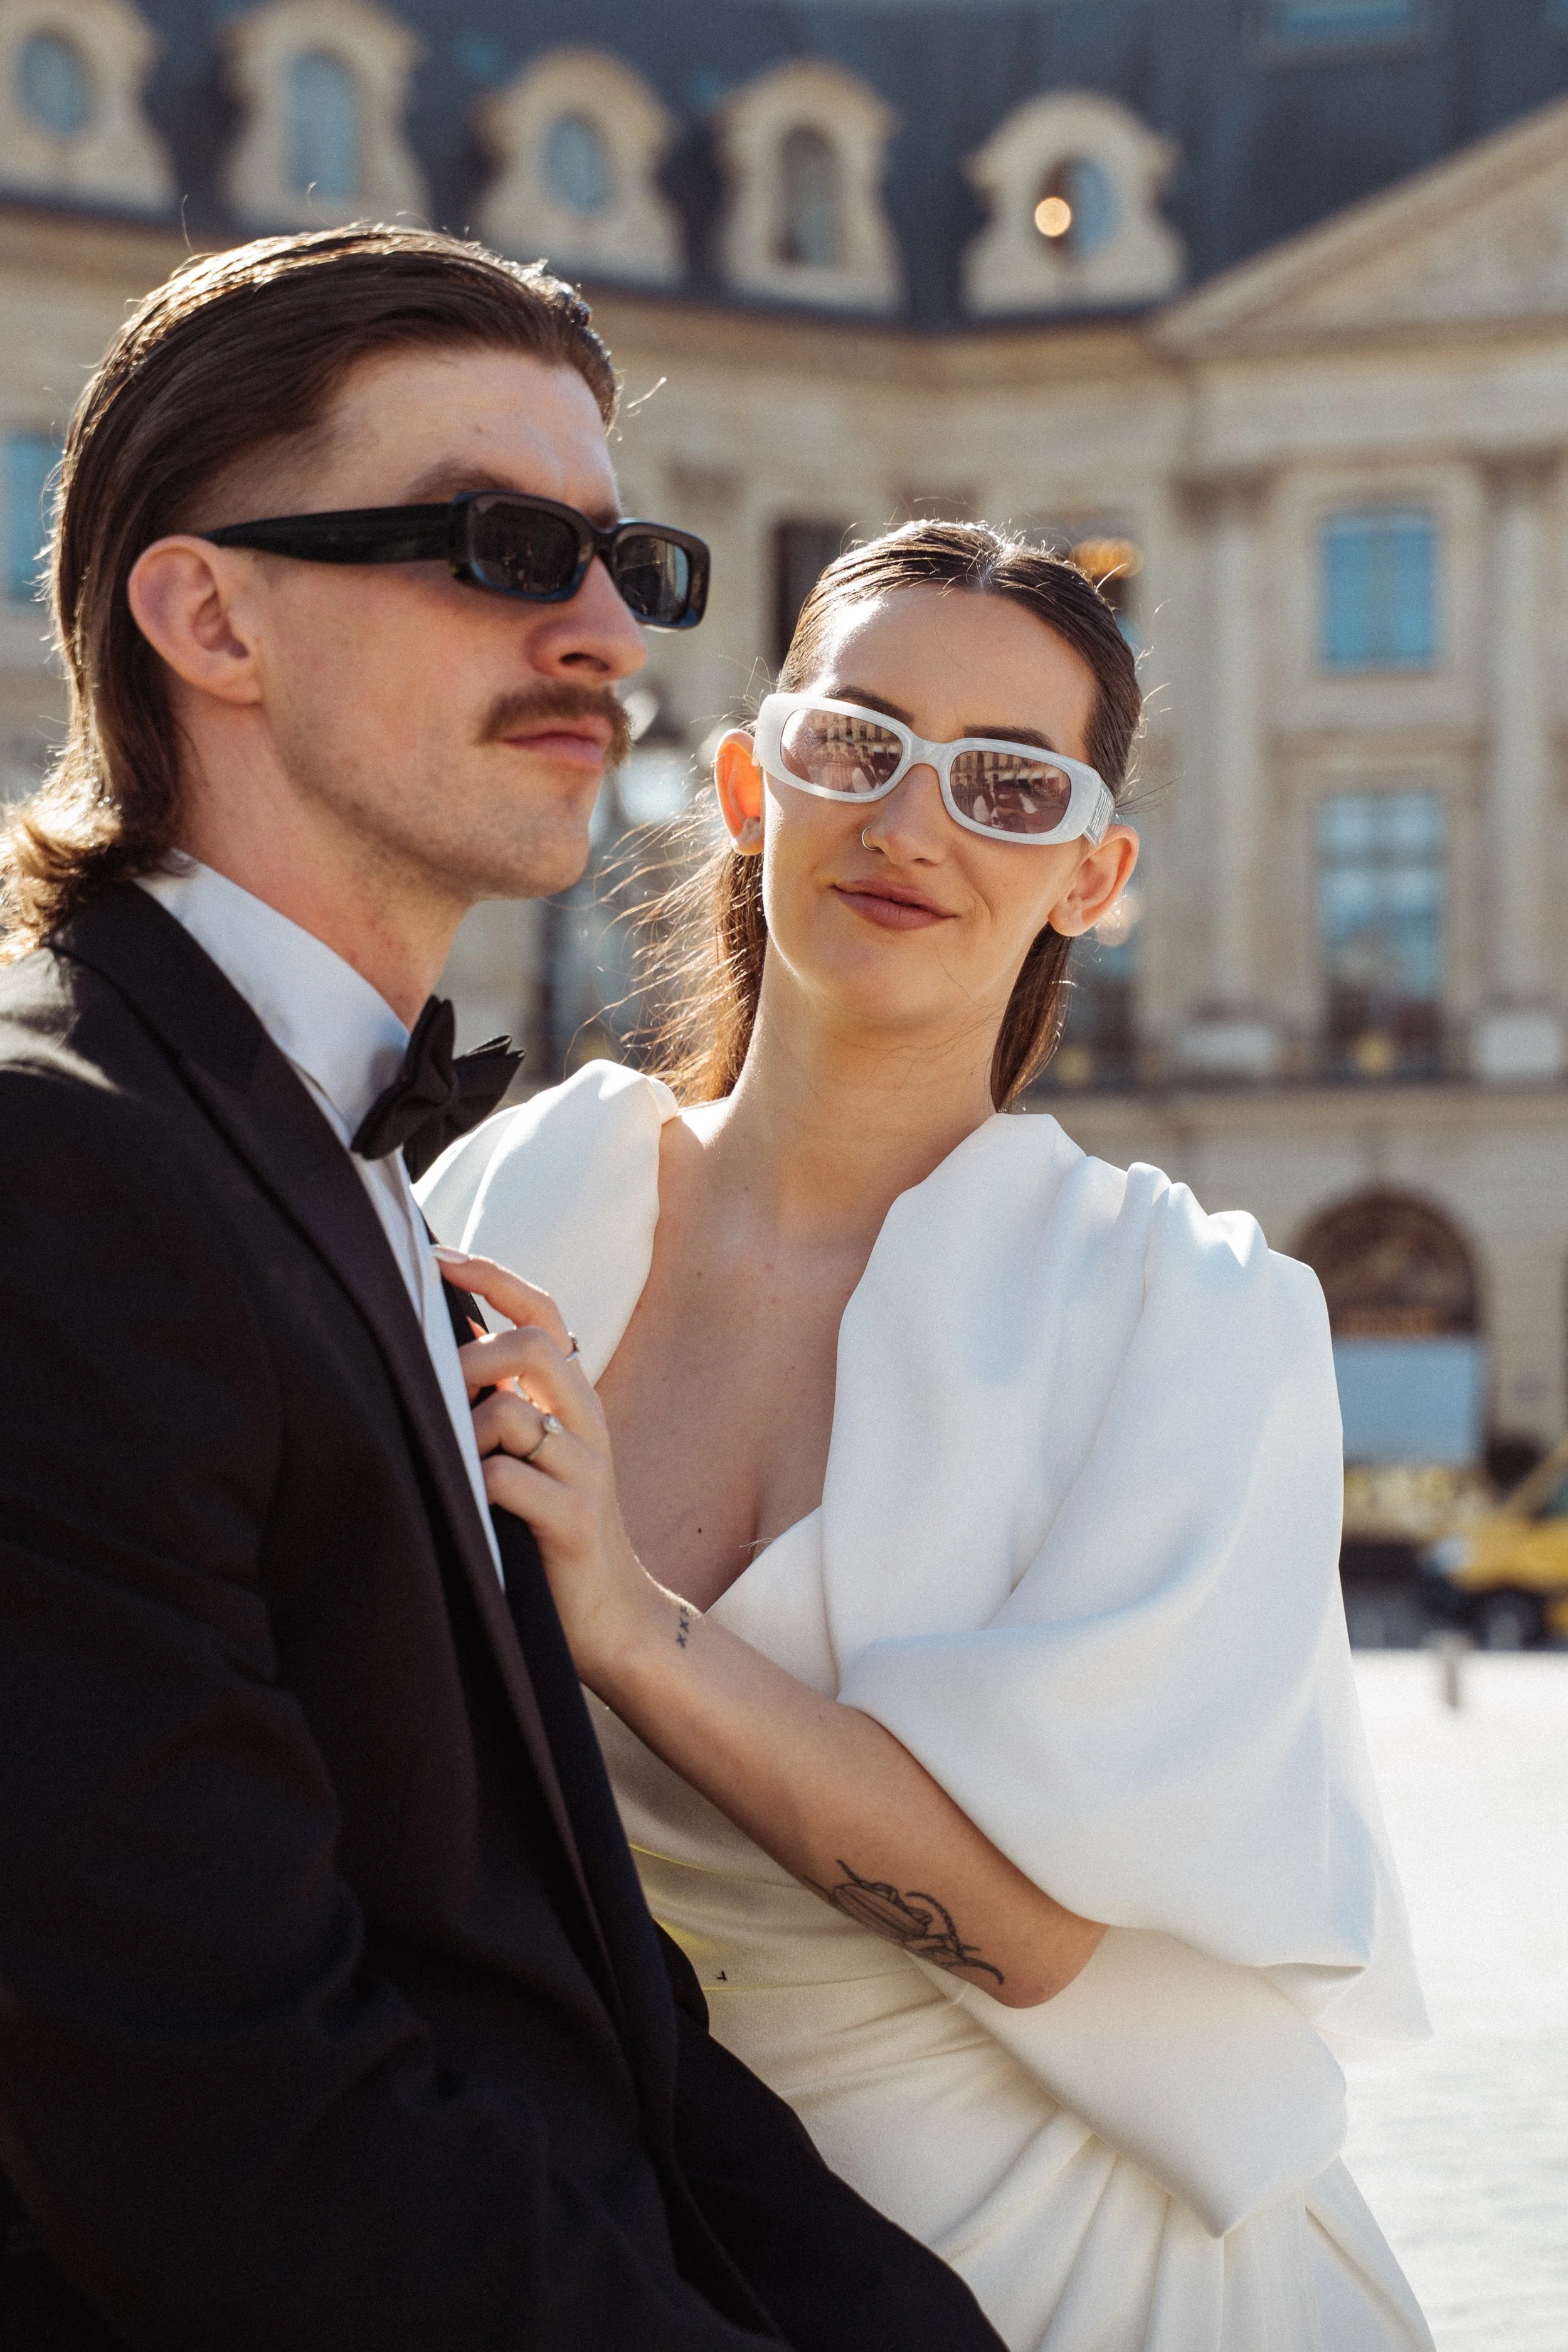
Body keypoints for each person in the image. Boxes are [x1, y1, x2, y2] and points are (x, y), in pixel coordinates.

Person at [0, 228, 1010, 2352]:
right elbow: (224, 2124)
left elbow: (588, 1995)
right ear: (209, 616)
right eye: (495, 543)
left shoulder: (311, 1139)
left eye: (621, 564)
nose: (601, 634)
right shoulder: (58, 1166)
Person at [421, 522, 1437, 2352]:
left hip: (1070, 2260)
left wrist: (629, 1620)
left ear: (1090, 872)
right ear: (748, 781)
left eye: (1004, 782)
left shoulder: (1181, 1311)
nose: (911, 823)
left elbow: (1040, 1937)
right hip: (588, 2224)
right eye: (854, 744)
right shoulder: (510, 1184)